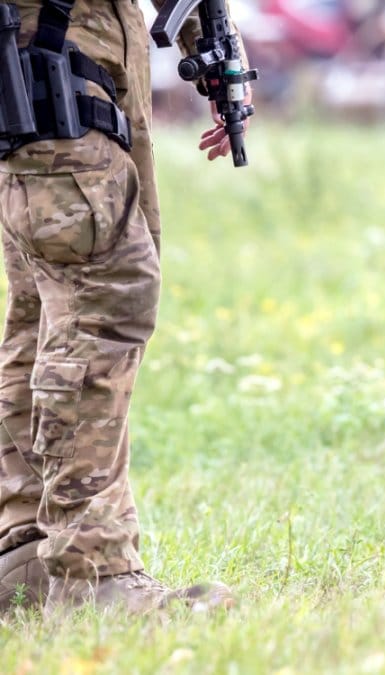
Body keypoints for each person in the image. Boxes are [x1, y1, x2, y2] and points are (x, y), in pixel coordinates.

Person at [0, 0, 249, 614]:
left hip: (71, 63)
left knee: (46, 311)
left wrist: (208, 40)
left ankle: (28, 557)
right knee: (103, 297)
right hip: (47, 57)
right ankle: (92, 575)